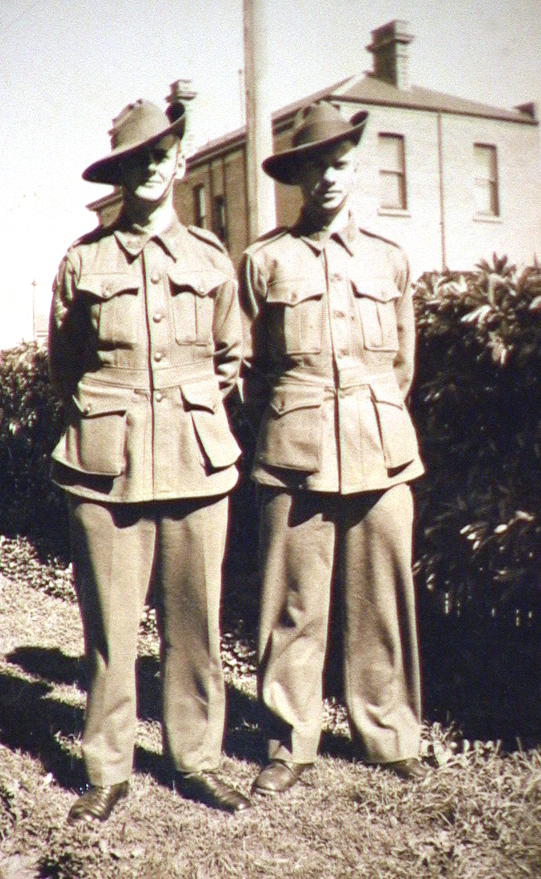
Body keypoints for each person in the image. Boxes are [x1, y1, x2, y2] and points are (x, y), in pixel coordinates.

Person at [49, 98, 250, 822]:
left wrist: (186, 412)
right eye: (137, 161)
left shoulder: (209, 257)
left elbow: (231, 356)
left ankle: (195, 758)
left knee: (196, 620)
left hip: (196, 459)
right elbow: (65, 365)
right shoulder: (85, 260)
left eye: (162, 155)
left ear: (181, 161)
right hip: (107, 467)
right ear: (122, 174)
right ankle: (108, 768)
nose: (152, 169)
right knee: (111, 625)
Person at [239, 100, 427, 796]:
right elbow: (248, 374)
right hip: (295, 447)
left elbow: (403, 365)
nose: (327, 178)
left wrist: (369, 417)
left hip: (382, 447)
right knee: (293, 604)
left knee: (383, 599)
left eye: (339, 163)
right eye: (313, 166)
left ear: (355, 168)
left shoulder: (390, 258)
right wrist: (296, 416)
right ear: (298, 176)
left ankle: (390, 734)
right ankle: (290, 742)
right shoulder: (264, 262)